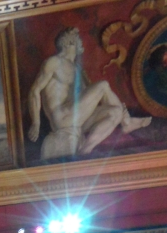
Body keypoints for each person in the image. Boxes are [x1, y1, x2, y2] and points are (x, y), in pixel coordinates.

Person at [28, 27, 151, 160]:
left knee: (114, 112)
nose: (81, 42)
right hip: (62, 118)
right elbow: (35, 90)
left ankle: (85, 149)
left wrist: (118, 108)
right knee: (103, 85)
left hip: (77, 121)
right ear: (69, 42)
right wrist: (36, 123)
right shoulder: (54, 62)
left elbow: (88, 102)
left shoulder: (78, 70)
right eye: (78, 39)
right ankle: (126, 123)